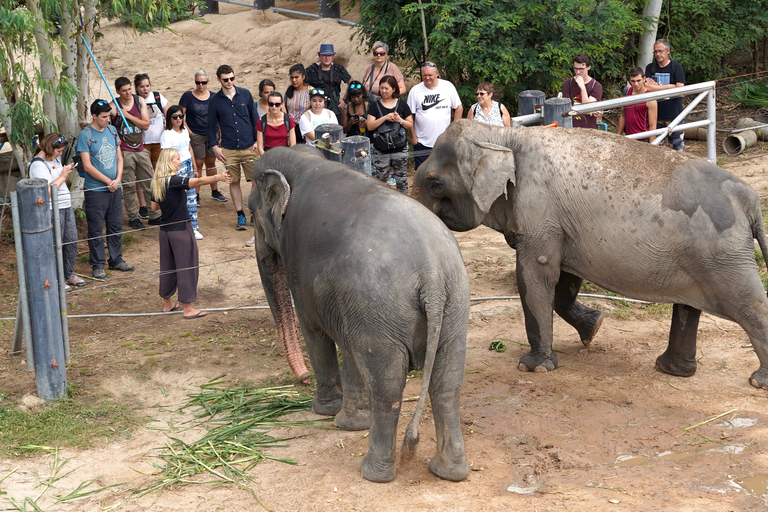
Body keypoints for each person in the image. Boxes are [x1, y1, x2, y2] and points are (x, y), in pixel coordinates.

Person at [151, 148, 233, 319]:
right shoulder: (174, 180)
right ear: (168, 162)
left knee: (167, 267)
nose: (179, 161)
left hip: (164, 231)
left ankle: (168, 304)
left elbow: (154, 207)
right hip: (180, 230)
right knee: (187, 267)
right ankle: (187, 308)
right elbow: (196, 182)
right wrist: (217, 177)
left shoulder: (157, 182)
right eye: (177, 159)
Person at [77, 99, 135, 280]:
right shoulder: (85, 135)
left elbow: (119, 157)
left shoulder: (112, 130)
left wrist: (117, 179)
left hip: (114, 188)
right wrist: (108, 181)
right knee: (96, 229)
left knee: (115, 225)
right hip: (95, 191)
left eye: (109, 116)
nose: (107, 120)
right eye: (103, 117)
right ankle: (97, 264)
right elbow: (87, 166)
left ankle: (116, 259)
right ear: (94, 116)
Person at [206, 64, 258, 231]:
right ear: (219, 80)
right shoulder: (214, 101)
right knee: (234, 182)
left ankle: (254, 213)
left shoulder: (246, 94)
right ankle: (240, 215)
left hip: (250, 145)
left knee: (256, 181)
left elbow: (255, 118)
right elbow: (210, 125)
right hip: (229, 148)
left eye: (232, 78)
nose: (229, 82)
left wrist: (258, 140)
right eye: (226, 79)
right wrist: (214, 146)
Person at [29, 133, 85, 288]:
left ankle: (69, 274)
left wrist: (66, 173)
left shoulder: (55, 159)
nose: (60, 154)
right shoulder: (38, 165)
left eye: (61, 151)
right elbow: (46, 191)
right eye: (58, 151)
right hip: (52, 209)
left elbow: (60, 181)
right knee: (55, 244)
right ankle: (55, 278)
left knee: (71, 241)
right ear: (49, 147)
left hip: (65, 206)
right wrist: (62, 175)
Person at [109, 76, 160, 229]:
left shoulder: (139, 101)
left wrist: (128, 115)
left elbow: (145, 125)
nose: (128, 93)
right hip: (124, 151)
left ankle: (154, 215)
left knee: (149, 182)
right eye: (124, 91)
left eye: (130, 89)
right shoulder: (113, 106)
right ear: (117, 91)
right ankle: (133, 217)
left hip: (140, 148)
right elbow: (102, 116)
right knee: (129, 185)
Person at [180, 70, 228, 206]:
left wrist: (220, 134)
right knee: (199, 163)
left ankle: (215, 191)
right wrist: (189, 132)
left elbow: (219, 117)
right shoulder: (188, 96)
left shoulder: (214, 97)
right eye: (198, 82)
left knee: (211, 162)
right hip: (196, 134)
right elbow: (180, 114)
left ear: (208, 82)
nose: (201, 85)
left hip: (212, 134)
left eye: (203, 82)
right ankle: (196, 194)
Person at [407, 62, 463, 170]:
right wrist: (413, 136)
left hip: (445, 141)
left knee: (445, 172)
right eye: (424, 75)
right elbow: (409, 115)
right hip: (422, 142)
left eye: (430, 75)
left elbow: (459, 108)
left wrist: (454, 130)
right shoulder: (415, 91)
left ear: (437, 73)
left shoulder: (447, 86)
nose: (427, 78)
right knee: (422, 173)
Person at [366, 75, 413, 194]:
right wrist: (385, 118)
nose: (383, 91)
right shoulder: (374, 106)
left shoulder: (402, 105)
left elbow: (410, 125)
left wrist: (399, 120)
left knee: (401, 179)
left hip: (400, 148)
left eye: (386, 88)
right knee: (381, 181)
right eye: (381, 88)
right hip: (380, 149)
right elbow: (370, 126)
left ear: (394, 89)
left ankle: (404, 204)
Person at [161, 105, 201, 240]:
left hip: (188, 164)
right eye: (175, 117)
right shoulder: (167, 134)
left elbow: (189, 149)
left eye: (180, 116)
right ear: (169, 118)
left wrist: (195, 167)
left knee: (192, 198)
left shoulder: (184, 131)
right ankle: (182, 227)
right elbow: (165, 156)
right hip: (177, 167)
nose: (178, 119)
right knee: (180, 199)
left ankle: (194, 228)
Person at [134, 73, 168, 218]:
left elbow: (169, 115)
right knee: (142, 176)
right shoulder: (134, 101)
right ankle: (143, 205)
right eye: (142, 86)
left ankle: (160, 203)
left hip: (159, 142)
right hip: (143, 144)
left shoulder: (158, 97)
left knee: (159, 174)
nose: (145, 89)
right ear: (136, 88)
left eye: (147, 85)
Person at [645, 38, 686, 151]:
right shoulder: (650, 67)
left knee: (678, 148)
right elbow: (646, 87)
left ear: (668, 51)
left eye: (660, 51)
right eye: (656, 52)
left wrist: (656, 88)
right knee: (656, 149)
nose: (658, 54)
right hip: (655, 115)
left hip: (674, 115)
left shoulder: (676, 67)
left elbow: (680, 89)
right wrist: (670, 86)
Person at [305, 43, 351, 118]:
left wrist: (345, 100)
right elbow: (301, 84)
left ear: (333, 57)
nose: (327, 58)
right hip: (316, 111)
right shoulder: (311, 70)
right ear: (319, 56)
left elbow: (352, 83)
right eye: (324, 55)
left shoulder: (339, 69)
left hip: (335, 110)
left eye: (329, 55)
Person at [561, 53, 603, 129]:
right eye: (576, 69)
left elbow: (587, 108)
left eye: (581, 69)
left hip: (588, 128)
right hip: (571, 127)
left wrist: (583, 88)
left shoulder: (596, 86)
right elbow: (565, 108)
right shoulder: (568, 83)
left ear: (588, 67)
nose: (578, 72)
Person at [617, 67, 658, 143]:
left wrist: (652, 145)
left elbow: (653, 125)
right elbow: (623, 115)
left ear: (644, 79)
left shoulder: (650, 97)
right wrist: (617, 137)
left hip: (643, 138)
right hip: (628, 137)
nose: (636, 84)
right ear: (629, 81)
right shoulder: (627, 92)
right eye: (633, 81)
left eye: (638, 80)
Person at [284, 64, 311, 144]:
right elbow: (285, 106)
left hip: (304, 128)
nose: (294, 80)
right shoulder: (289, 90)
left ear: (303, 77)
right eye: (292, 78)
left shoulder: (310, 91)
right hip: (290, 127)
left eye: (296, 77)